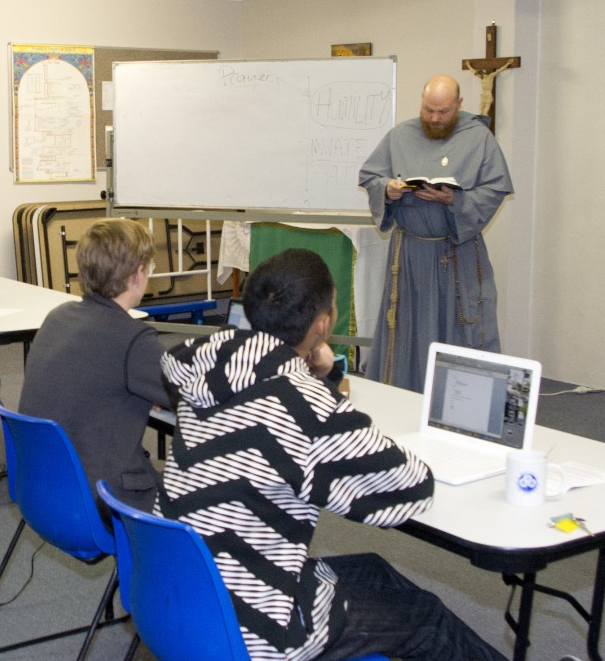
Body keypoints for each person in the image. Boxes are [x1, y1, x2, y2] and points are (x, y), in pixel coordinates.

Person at [157, 248, 505, 661]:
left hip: (181, 588)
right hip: (253, 625)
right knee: (425, 617)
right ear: (322, 324)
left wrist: (317, 375)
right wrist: (321, 389)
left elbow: (282, 421)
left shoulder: (205, 364)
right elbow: (409, 486)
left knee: (375, 570)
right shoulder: (303, 409)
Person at [359, 74, 513, 392]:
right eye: (429, 110)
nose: (435, 118)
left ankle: (461, 405)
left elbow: (496, 188)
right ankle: (403, 396)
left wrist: (455, 199)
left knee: (460, 328)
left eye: (443, 111)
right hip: (409, 258)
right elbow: (371, 176)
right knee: (405, 329)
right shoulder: (400, 135)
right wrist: (387, 189)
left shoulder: (478, 138)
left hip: (457, 255)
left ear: (458, 105)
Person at [19, 219, 170, 521]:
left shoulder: (58, 317)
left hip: (41, 488)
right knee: (214, 493)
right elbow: (192, 394)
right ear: (138, 274)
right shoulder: (133, 338)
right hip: (102, 500)